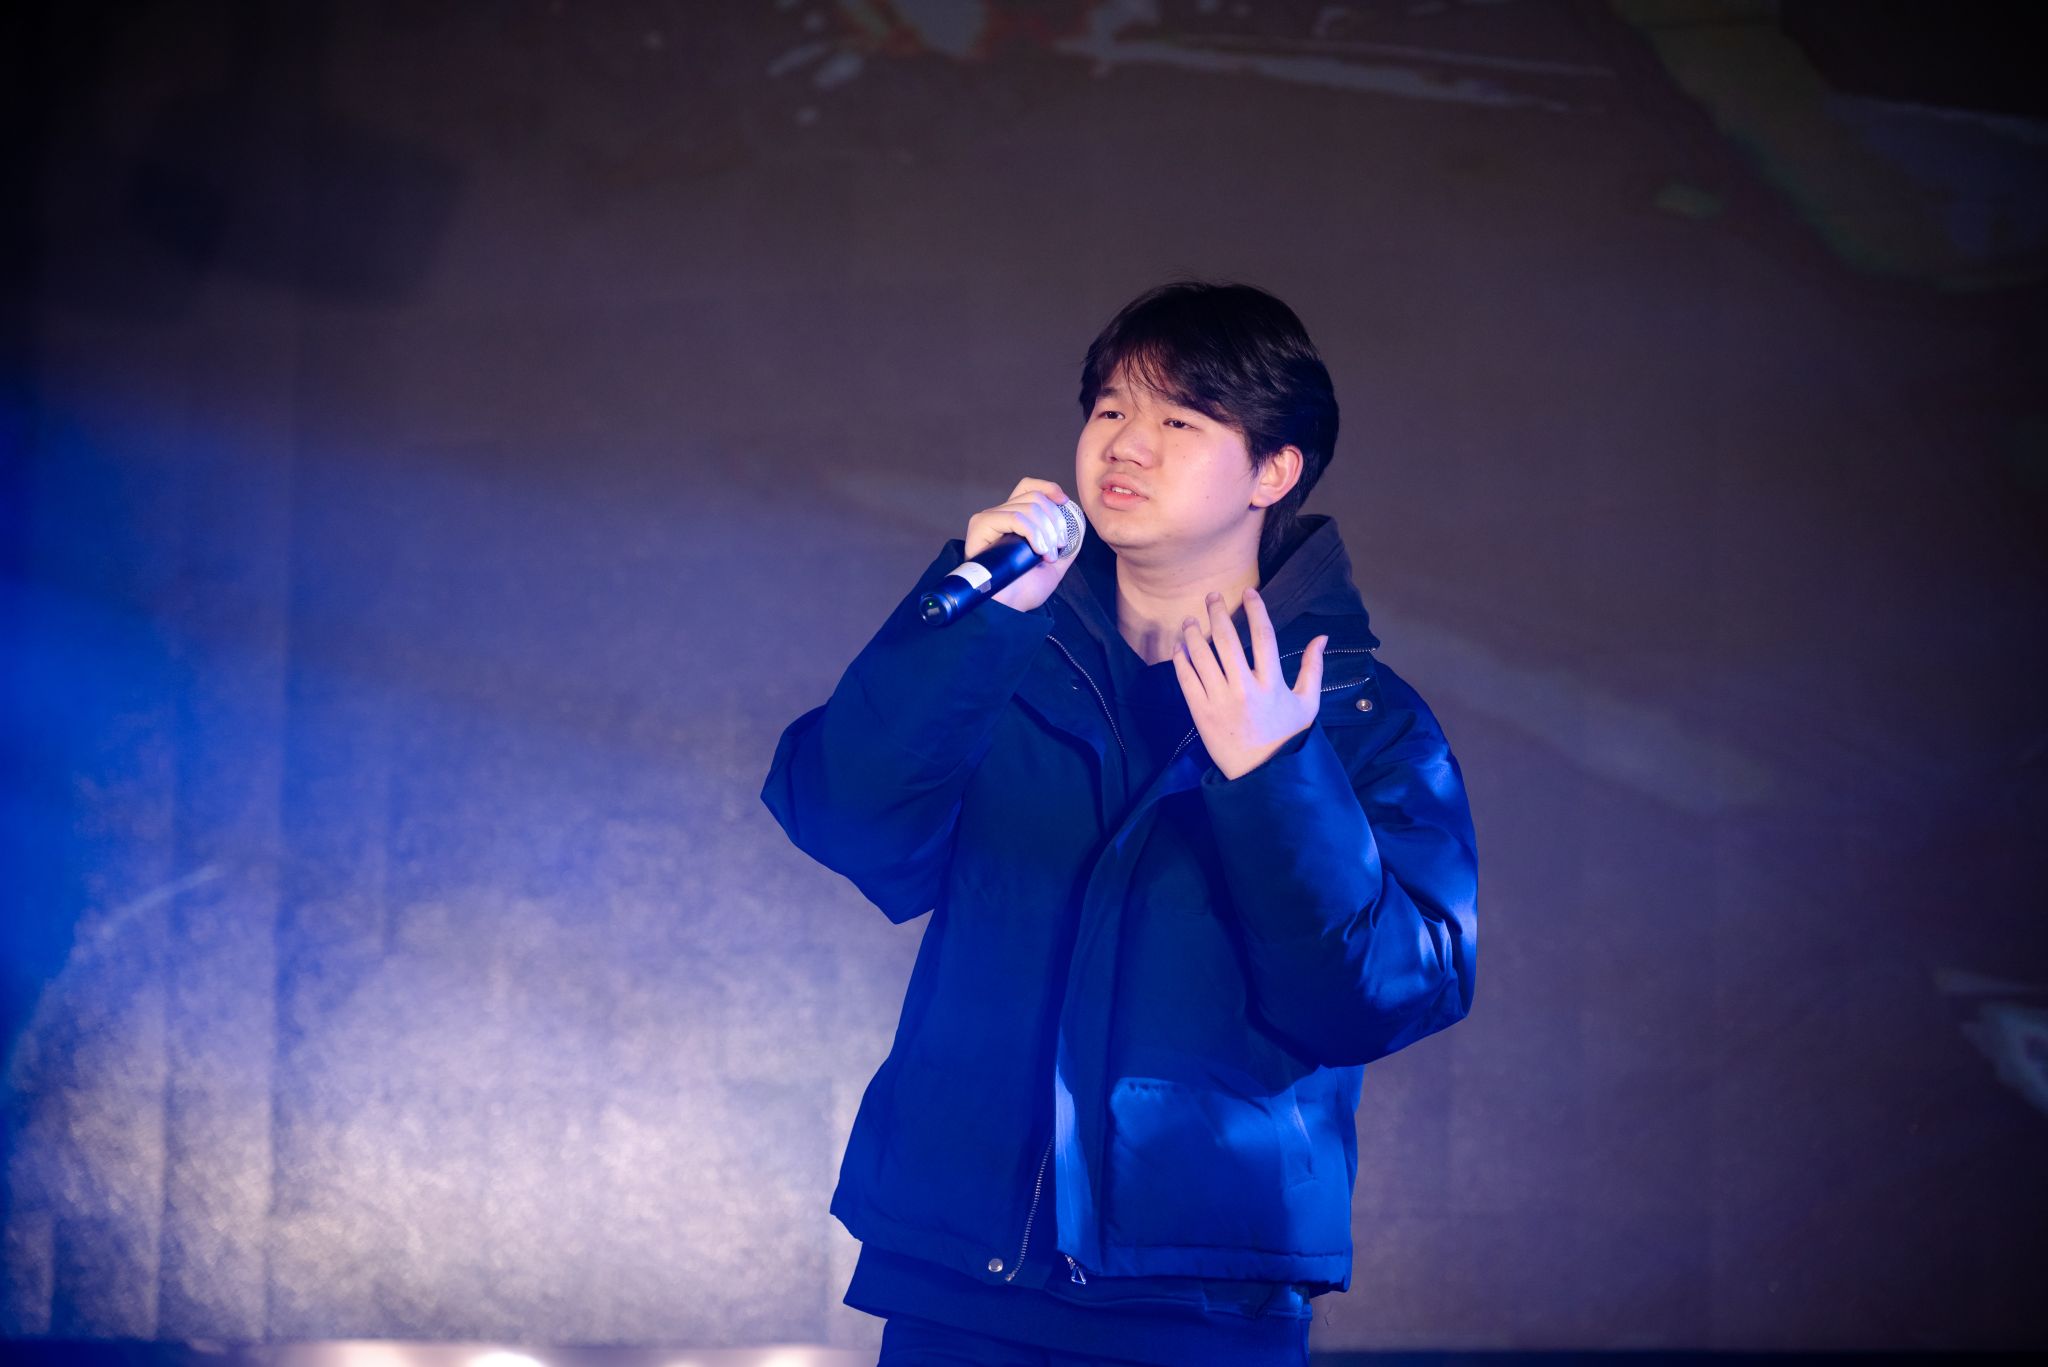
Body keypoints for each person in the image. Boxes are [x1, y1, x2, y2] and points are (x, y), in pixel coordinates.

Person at [760, 280, 1478, 1366]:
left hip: (1200, 1291)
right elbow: (844, 819)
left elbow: (1375, 996)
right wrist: (976, 631)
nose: (1124, 445)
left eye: (1179, 421)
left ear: (1274, 470)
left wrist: (1275, 774)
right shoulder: (1007, 642)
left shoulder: (1358, 717)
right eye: (1109, 409)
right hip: (960, 1272)